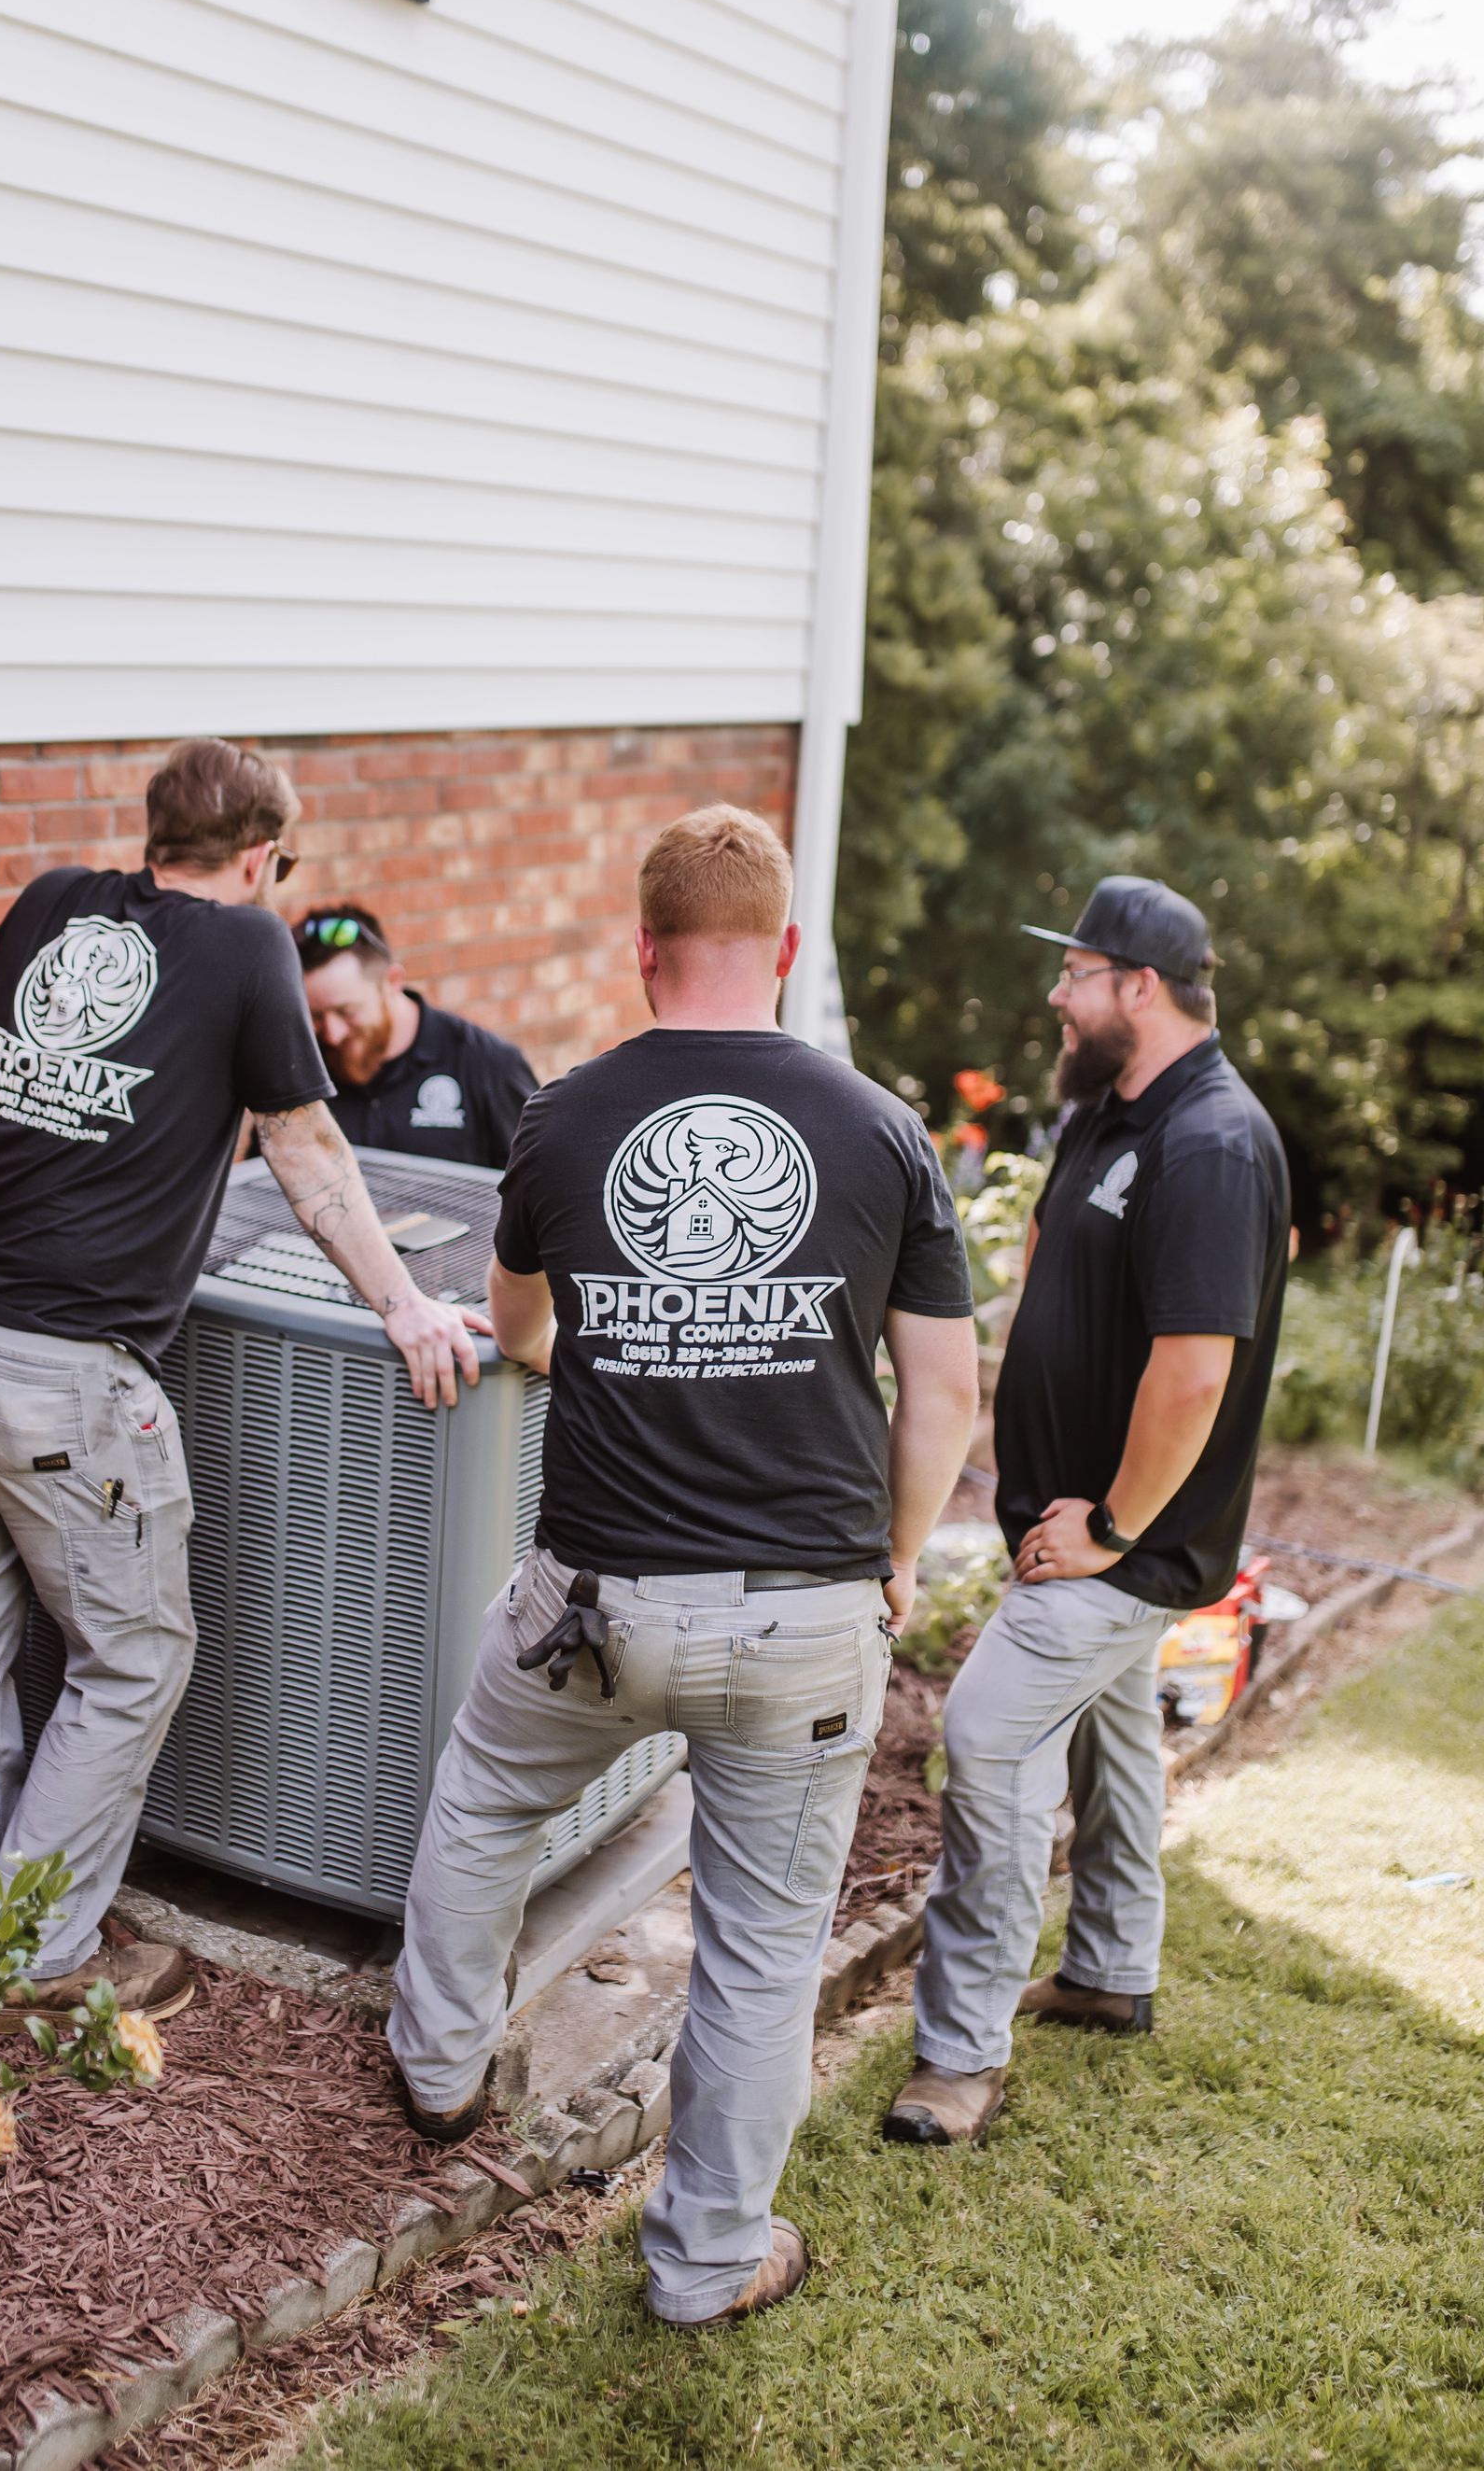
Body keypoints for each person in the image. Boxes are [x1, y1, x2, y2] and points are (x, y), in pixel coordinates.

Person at [388, 806, 981, 2326]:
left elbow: (517, 1333)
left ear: (643, 952)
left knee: (482, 1804)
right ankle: (709, 2262)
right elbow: (945, 1394)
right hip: (805, 1612)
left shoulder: (565, 1117)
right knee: (763, 1948)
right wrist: (897, 1564)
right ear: (785, 951)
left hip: (594, 1600)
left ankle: (441, 2071)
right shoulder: (883, 1131)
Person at [0, 741, 484, 2025]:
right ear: (265, 858)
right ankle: (35, 1955)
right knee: (134, 1653)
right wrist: (406, 1301)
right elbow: (309, 1150)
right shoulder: (250, 945)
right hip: (57, 1370)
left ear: (151, 830)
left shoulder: (48, 905)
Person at [883, 876, 1289, 2149]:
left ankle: (959, 2056)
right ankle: (1112, 1972)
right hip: (1071, 1528)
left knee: (991, 1737)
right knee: (1110, 1741)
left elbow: (1197, 1367)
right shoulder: (1110, 1115)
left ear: (1141, 988)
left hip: (1122, 1546)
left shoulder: (1212, 1143)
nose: (1054, 996)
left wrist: (1109, 1526)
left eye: (1075, 974)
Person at [292, 903, 538, 1169]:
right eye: (315, 1016)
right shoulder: (299, 1068)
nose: (332, 1035)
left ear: (393, 981)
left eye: (346, 1011)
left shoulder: (487, 1065)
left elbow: (543, 1184)